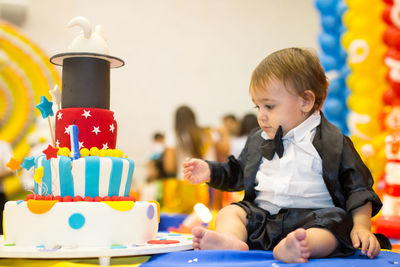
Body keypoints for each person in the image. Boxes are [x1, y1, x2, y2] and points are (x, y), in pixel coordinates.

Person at [183, 47, 390, 263]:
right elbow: (237, 171)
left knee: (335, 225)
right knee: (231, 212)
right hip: (263, 220)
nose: (261, 116)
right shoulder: (258, 139)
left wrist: (362, 226)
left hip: (314, 220)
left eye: (269, 106)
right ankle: (232, 241)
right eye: (258, 107)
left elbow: (358, 188)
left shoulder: (333, 142)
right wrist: (209, 171)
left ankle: (301, 246)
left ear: (306, 101)